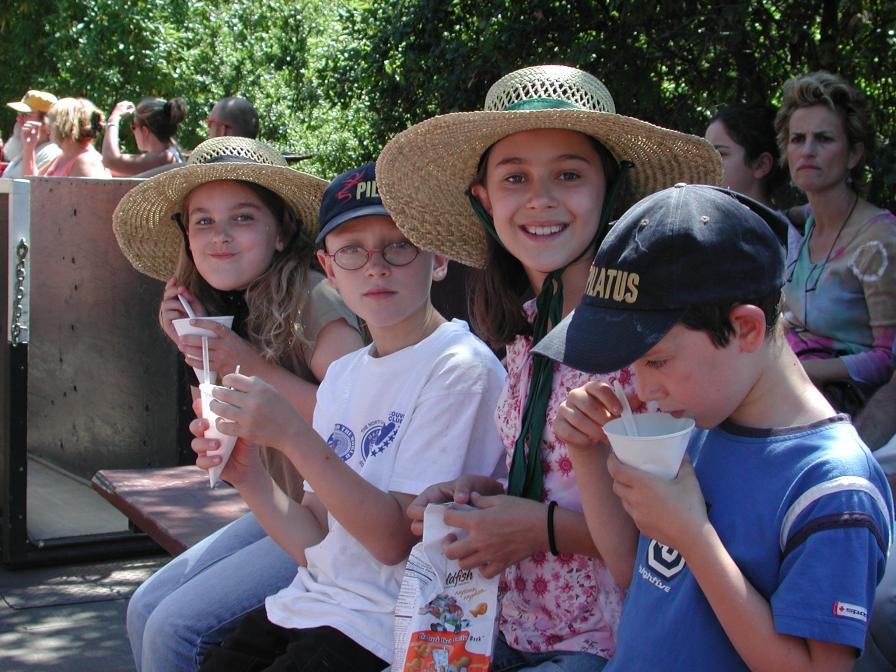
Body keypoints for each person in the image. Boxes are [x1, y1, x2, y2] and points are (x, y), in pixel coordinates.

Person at [378, 64, 722, 668]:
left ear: (612, 189)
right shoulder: (527, 332)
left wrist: (542, 528)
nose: (541, 198)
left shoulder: (650, 345)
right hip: (510, 627)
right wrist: (481, 496)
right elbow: (547, 474)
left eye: (569, 174)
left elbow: (677, 538)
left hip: (609, 642)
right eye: (515, 177)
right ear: (482, 200)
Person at [536, 184, 894, 671]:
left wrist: (694, 537)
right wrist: (587, 452)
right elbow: (634, 572)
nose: (642, 387)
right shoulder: (695, 423)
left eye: (656, 360)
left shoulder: (833, 486)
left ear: (745, 329)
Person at [191, 161, 507, 670]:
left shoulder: (460, 369)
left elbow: (390, 543)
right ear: (330, 267)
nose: (376, 267)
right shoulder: (344, 374)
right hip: (313, 606)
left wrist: (295, 437)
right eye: (352, 251)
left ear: (439, 257)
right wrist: (246, 474)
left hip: (393, 628)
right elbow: (316, 542)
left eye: (399, 246)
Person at [112, 136, 365, 672]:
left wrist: (241, 359)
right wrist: (192, 342)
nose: (219, 236)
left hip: (343, 520)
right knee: (145, 606)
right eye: (202, 221)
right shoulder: (241, 303)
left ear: (280, 234)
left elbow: (360, 421)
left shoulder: (317, 299)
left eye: (242, 218)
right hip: (284, 502)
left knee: (175, 630)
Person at [775, 72, 896, 404]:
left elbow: (887, 360)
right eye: (797, 139)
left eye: (824, 139)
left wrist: (798, 372)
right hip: (792, 385)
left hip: (846, 401)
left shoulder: (878, 242)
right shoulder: (807, 225)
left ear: (854, 155)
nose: (807, 151)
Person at [22, 97, 109, 177]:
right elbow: (32, 184)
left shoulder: (86, 162)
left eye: (51, 120)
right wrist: (29, 147)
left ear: (64, 126)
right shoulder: (63, 156)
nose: (47, 126)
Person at [103, 96, 187, 176]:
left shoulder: (164, 158)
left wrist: (114, 118)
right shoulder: (168, 154)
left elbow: (110, 160)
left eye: (133, 125)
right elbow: (114, 168)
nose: (132, 130)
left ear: (145, 131)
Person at [2, 89, 61, 178]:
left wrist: (29, 148)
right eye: (18, 114)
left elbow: (32, 186)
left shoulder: (51, 152)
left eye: (25, 115)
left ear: (47, 123)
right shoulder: (29, 148)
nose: (18, 119)